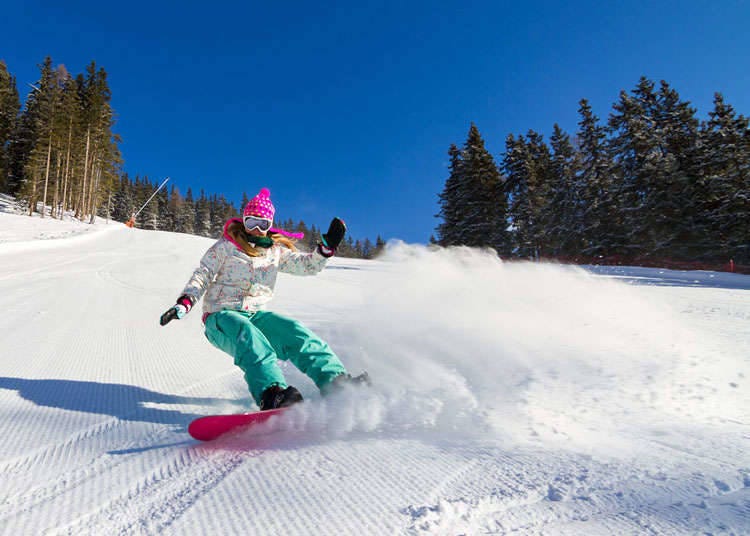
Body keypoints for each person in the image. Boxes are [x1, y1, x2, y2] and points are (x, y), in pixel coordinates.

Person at [160, 187, 368, 410]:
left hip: (255, 315)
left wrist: (325, 250)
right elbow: (203, 273)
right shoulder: (226, 246)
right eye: (251, 223)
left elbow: (306, 266)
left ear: (270, 226)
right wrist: (185, 302)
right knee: (249, 337)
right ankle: (271, 392)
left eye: (263, 224)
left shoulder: (275, 252)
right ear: (243, 221)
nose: (257, 230)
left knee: (296, 333)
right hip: (221, 317)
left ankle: (335, 382)